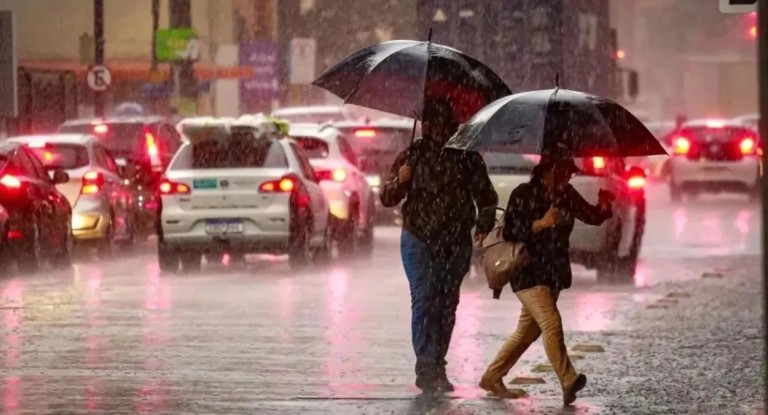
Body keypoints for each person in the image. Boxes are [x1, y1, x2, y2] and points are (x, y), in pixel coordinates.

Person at [379, 98, 498, 393]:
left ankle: (437, 363)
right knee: (424, 298)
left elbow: (487, 197)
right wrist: (401, 180)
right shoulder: (413, 155)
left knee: (447, 304)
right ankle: (426, 365)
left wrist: (482, 226)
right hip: (418, 239)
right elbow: (386, 197)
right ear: (425, 125)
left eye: (443, 123)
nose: (438, 129)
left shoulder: (468, 157)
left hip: (455, 242)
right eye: (432, 123)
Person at [478, 151, 615, 405]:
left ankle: (493, 376)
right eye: (564, 172)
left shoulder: (566, 194)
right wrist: (540, 223)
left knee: (527, 332)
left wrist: (604, 207)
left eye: (570, 173)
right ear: (548, 170)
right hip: (528, 272)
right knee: (551, 322)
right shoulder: (524, 193)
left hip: (553, 272)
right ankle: (568, 378)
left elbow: (591, 216)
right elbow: (511, 230)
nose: (567, 178)